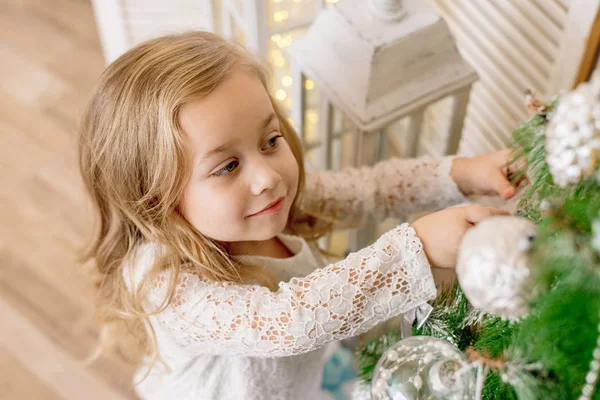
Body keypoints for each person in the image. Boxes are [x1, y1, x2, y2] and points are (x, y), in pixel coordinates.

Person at [78, 31, 515, 400]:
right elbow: (286, 322)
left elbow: (371, 189)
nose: (267, 176)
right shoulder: (163, 280)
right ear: (155, 200)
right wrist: (416, 249)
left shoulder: (269, 202)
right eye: (228, 166)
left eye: (269, 140)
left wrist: (463, 174)